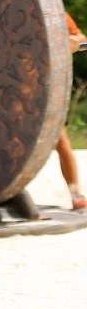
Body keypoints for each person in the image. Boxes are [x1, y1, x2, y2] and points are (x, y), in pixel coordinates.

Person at [56, 13, 87, 211]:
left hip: (47, 87)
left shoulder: (56, 14)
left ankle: (76, 193)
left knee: (60, 138)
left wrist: (74, 41)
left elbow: (83, 41)